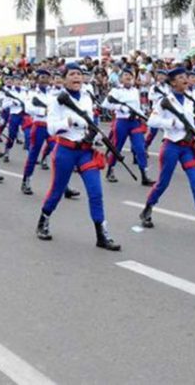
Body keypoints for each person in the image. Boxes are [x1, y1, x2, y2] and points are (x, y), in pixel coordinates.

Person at [36, 63, 120, 251]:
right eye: (72, 74)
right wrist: (69, 121)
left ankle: (102, 234)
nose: (77, 77)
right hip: (65, 151)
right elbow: (51, 129)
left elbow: (90, 122)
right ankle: (43, 220)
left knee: (96, 192)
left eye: (79, 74)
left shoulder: (86, 98)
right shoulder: (57, 100)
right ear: (64, 78)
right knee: (57, 191)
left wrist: (96, 135)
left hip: (85, 151)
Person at [138, 67, 195, 237]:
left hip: (188, 147)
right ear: (173, 81)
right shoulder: (164, 101)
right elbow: (152, 121)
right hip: (171, 146)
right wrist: (171, 123)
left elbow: (193, 127)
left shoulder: (189, 99)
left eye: (187, 76)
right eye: (181, 77)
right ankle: (147, 209)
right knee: (163, 182)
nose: (186, 79)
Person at [101, 67, 155, 186]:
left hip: (134, 122)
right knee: (117, 148)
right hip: (122, 122)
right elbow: (105, 104)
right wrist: (120, 107)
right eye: (126, 75)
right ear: (121, 78)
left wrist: (142, 116)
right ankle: (110, 170)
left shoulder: (135, 91)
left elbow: (137, 107)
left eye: (131, 75)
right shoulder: (116, 91)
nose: (128, 77)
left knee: (140, 148)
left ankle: (144, 175)